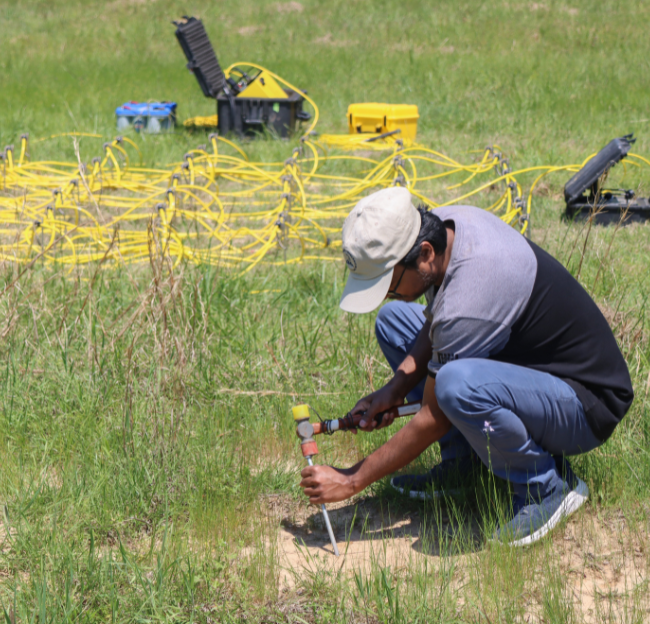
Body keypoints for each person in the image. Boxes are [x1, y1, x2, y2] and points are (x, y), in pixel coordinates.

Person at [299, 187, 634, 546]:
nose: (384, 294)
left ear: (424, 254)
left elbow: (433, 415)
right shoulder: (441, 229)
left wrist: (352, 479)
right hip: (529, 371)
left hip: (584, 404)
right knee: (394, 321)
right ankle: (464, 465)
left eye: (387, 283)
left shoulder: (471, 291)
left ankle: (546, 486)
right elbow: (437, 321)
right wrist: (393, 391)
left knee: (455, 386)